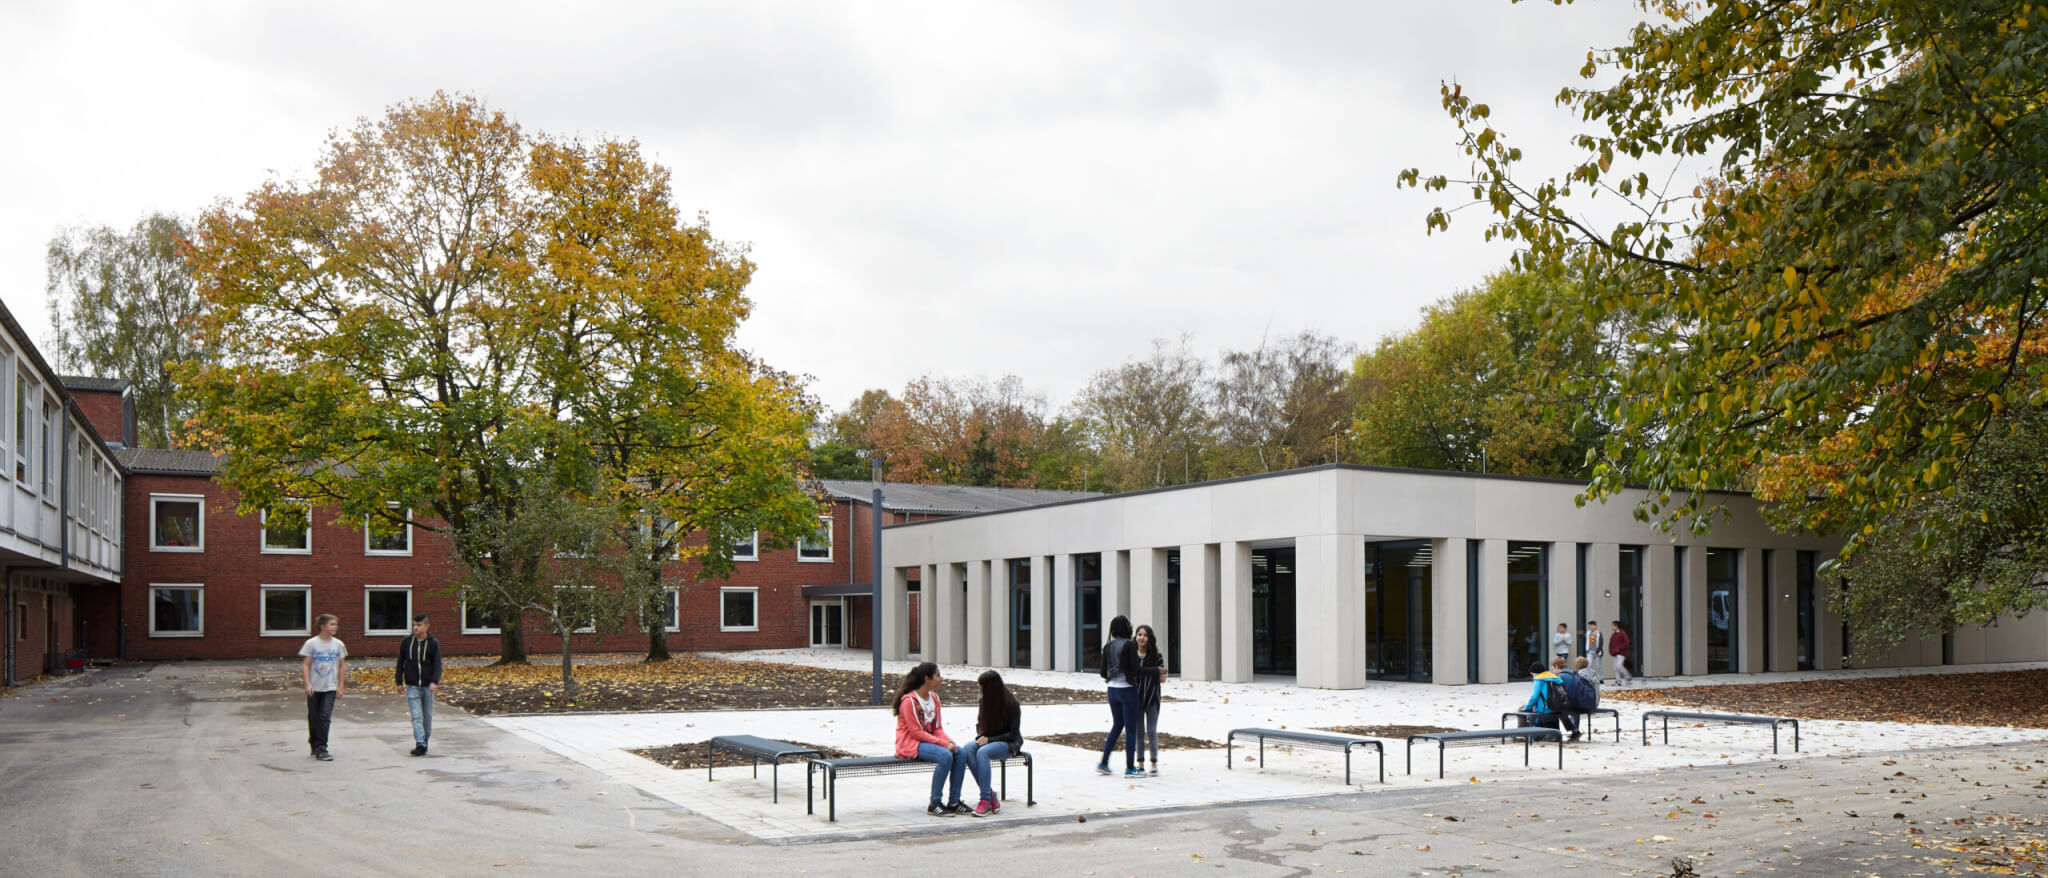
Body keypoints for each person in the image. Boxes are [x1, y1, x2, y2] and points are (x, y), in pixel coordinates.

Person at [893, 662, 969, 816]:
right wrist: (943, 744)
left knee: (960, 753)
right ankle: (934, 803)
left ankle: (954, 802)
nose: (941, 679)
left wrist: (949, 741)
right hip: (911, 744)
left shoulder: (934, 698)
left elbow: (937, 728)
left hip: (928, 741)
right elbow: (916, 733)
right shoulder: (909, 701)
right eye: (938, 676)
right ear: (927, 679)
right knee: (945, 755)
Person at [961, 670, 1024, 817]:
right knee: (968, 749)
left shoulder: (1011, 704)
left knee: (983, 752)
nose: (980, 690)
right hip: (990, 739)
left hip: (1009, 743)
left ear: (991, 688)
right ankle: (990, 795)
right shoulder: (984, 700)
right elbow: (980, 724)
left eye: (982, 687)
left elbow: (1013, 734)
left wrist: (990, 740)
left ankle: (985, 800)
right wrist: (982, 737)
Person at [1096, 615, 1144, 778]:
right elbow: (1136, 669)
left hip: (1112, 690)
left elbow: (1103, 672)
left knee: (1117, 726)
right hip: (1128, 690)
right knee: (1131, 729)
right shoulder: (1130, 645)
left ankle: (1103, 763)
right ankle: (1130, 768)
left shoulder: (1107, 646)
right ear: (1126, 628)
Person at [299, 613, 347, 761]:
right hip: (314, 687)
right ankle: (314, 742)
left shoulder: (338, 644)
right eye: (332, 624)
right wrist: (307, 684)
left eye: (336, 624)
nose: (335, 627)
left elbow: (342, 665)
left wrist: (341, 686)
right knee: (314, 717)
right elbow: (306, 665)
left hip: (330, 687)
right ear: (323, 627)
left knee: (324, 717)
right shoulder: (312, 644)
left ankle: (322, 748)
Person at [395, 612, 443, 756]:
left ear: (427, 626)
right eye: (414, 625)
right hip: (412, 685)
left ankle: (424, 741)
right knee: (416, 716)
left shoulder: (433, 643)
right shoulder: (407, 642)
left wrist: (435, 681)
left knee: (427, 716)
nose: (415, 628)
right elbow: (400, 662)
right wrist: (399, 681)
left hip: (428, 686)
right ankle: (420, 743)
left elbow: (437, 664)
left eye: (419, 625)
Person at [1132, 624, 1167, 776]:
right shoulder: (1132, 655)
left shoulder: (1157, 656)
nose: (1142, 637)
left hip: (1152, 699)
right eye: (1139, 634)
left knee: (1151, 732)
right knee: (1139, 732)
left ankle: (1153, 764)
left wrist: (1154, 673)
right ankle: (1140, 764)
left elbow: (1162, 677)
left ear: (1149, 638)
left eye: (1145, 635)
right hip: (1136, 700)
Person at [1519, 656, 1579, 739]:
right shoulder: (1555, 678)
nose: (1533, 676)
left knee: (1522, 710)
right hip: (1556, 708)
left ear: (1535, 673)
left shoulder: (1539, 680)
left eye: (1532, 674)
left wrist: (1527, 707)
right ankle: (1547, 735)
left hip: (1545, 709)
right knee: (1547, 728)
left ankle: (1523, 734)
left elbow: (1534, 697)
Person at [1607, 621, 1633, 686]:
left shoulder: (1622, 633)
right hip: (1614, 653)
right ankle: (1618, 681)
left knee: (1619, 666)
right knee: (1615, 668)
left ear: (1616, 626)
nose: (1611, 627)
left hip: (1621, 653)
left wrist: (1618, 649)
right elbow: (1611, 644)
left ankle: (1628, 677)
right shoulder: (1613, 635)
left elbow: (1626, 643)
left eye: (1612, 626)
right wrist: (1611, 651)